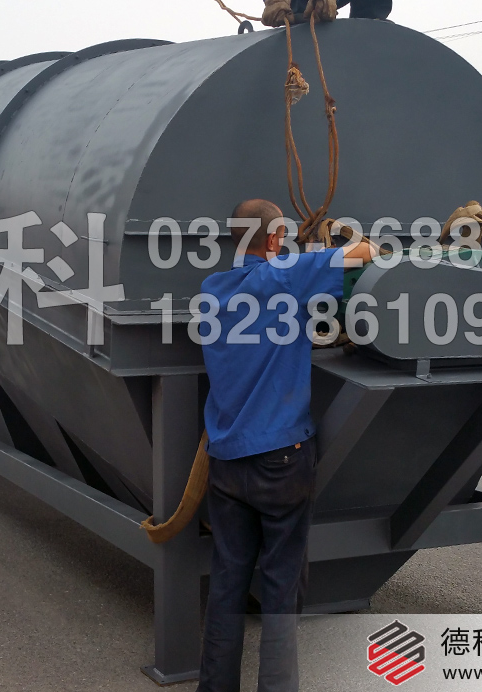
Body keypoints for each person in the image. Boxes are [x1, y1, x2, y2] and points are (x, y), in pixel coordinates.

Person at [196, 200, 375, 692]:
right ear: (275, 238)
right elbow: (365, 251)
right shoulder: (286, 277)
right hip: (281, 462)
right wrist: (319, 251)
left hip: (226, 463)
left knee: (227, 582)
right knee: (280, 588)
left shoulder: (212, 289)